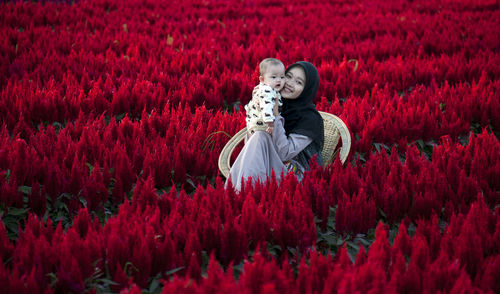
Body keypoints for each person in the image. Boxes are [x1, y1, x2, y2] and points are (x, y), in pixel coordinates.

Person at [228, 61, 324, 191]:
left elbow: (284, 153)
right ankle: (245, 195)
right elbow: (250, 142)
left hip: (293, 175)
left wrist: (276, 116)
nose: (289, 83)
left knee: (261, 137)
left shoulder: (310, 120)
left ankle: (243, 194)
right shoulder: (275, 100)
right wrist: (258, 108)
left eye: (299, 82)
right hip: (267, 162)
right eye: (288, 76)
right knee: (260, 135)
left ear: (307, 89)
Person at [244, 58, 285, 135]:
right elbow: (266, 107)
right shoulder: (267, 91)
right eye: (274, 77)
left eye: (282, 77)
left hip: (259, 125)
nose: (279, 80)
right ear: (262, 79)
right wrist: (270, 123)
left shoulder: (271, 89)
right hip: (261, 126)